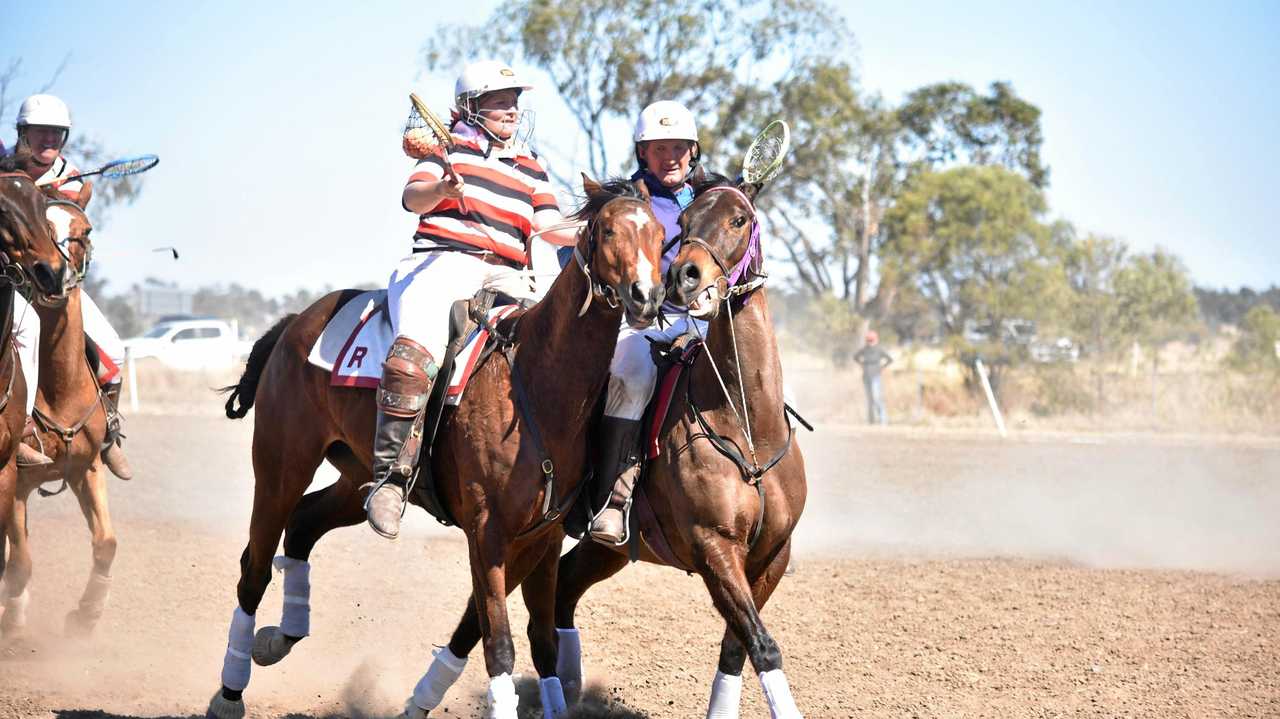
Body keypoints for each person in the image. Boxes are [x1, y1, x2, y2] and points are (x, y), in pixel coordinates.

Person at [364, 61, 577, 540]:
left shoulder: (531, 164)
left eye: (515, 101)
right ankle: (390, 479)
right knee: (413, 357)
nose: (512, 111)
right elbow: (413, 197)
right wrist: (441, 187)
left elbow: (550, 227)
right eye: (500, 101)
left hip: (510, 275)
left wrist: (601, 226)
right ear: (471, 107)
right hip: (442, 264)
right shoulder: (446, 147)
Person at [587, 99, 707, 545]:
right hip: (642, 322)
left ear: (693, 151)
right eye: (659, 148)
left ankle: (772, 511)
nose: (670, 156)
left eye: (679, 146)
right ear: (643, 153)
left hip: (703, 319)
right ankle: (613, 502)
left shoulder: (711, 197)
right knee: (634, 376)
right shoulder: (626, 203)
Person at [10, 94, 132, 478]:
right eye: (40, 132)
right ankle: (19, 431)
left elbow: (69, 224)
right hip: (14, 285)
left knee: (113, 348)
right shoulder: (7, 170)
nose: (48, 140)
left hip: (60, 286)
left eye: (56, 134)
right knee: (24, 335)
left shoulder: (73, 177)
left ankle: (109, 433)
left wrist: (58, 193)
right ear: (23, 134)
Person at [852, 330, 892, 425]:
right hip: (866, 377)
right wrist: (861, 364)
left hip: (875, 377)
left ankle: (883, 419)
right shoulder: (864, 349)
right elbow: (855, 357)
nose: (870, 342)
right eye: (868, 340)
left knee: (876, 398)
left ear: (876, 339)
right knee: (869, 399)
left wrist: (882, 367)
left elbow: (889, 359)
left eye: (871, 340)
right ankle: (871, 421)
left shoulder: (879, 349)